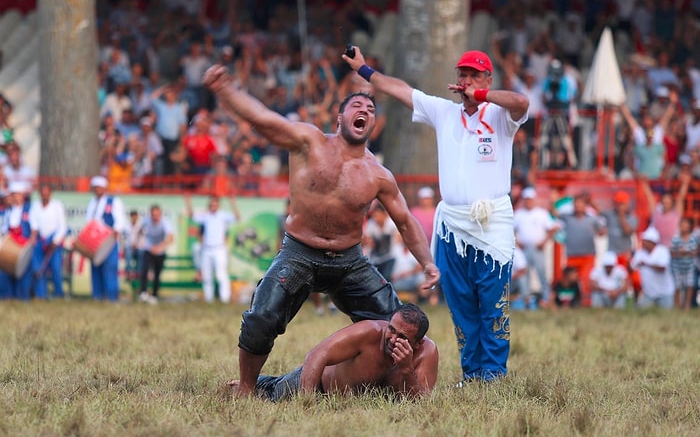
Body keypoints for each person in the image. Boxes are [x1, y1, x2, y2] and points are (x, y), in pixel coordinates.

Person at [202, 65, 439, 396]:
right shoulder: (307, 142)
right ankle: (246, 387)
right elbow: (264, 119)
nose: (365, 111)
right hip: (299, 251)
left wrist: (427, 262)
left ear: (373, 125)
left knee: (395, 325)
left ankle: (383, 386)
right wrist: (226, 90)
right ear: (339, 118)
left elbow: (405, 220)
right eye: (357, 106)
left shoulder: (378, 174)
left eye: (370, 110)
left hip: (350, 260)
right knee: (262, 315)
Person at [342, 47, 528, 382]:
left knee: (492, 304)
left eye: (474, 75)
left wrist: (482, 95)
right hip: (452, 226)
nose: (466, 80)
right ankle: (472, 374)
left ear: (487, 79)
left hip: (492, 225)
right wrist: (365, 70)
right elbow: (399, 90)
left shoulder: (499, 116)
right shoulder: (444, 112)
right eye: (463, 74)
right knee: (461, 305)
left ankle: (495, 375)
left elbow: (522, 103)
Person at [230, 303, 438, 401]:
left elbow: (420, 403)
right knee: (270, 394)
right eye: (391, 329)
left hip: (353, 405)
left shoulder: (426, 353)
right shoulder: (370, 331)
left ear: (417, 344)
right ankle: (246, 385)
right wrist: (307, 402)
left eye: (402, 337)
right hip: (317, 384)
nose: (392, 339)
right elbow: (316, 356)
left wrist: (406, 370)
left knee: (270, 387)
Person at [184, 193, 239, 303]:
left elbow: (237, 217)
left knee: (221, 274)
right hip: (207, 249)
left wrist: (233, 203)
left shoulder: (223, 215)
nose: (213, 206)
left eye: (215, 204)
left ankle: (225, 298)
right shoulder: (206, 216)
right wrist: (188, 202)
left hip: (219, 249)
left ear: (218, 205)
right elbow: (192, 215)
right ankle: (209, 299)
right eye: (211, 205)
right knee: (207, 276)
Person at [513, 186, 559, 307]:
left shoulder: (541, 213)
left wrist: (544, 241)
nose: (528, 201)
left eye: (530, 199)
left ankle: (546, 298)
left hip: (538, 247)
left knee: (542, 273)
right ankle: (526, 299)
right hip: (523, 248)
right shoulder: (518, 214)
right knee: (525, 274)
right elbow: (511, 230)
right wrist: (517, 242)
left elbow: (553, 228)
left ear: (534, 199)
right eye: (526, 199)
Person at [85, 175, 127, 302]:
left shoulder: (113, 202)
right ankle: (97, 295)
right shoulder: (92, 203)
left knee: (110, 269)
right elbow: (88, 221)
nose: (97, 190)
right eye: (95, 188)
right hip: (94, 241)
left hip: (108, 240)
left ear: (104, 188)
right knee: (96, 268)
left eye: (99, 187)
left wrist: (113, 235)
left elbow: (119, 221)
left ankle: (111, 297)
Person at [1, 181, 37, 300]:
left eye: (17, 194)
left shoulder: (29, 209)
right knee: (6, 270)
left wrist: (30, 244)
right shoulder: (8, 211)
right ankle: (8, 296)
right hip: (10, 243)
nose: (15, 197)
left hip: (23, 244)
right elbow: (5, 228)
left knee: (24, 271)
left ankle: (23, 297)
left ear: (22, 196)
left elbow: (34, 229)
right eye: (13, 194)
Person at [30, 184, 67, 299]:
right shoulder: (35, 206)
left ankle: (58, 294)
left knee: (56, 268)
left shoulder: (57, 206)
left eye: (47, 193)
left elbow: (62, 226)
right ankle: (41, 294)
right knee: (39, 268)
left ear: (51, 193)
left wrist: (55, 241)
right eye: (43, 193)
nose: (45, 195)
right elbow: (34, 224)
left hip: (54, 241)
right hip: (41, 241)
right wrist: (34, 238)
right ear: (39, 194)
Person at [137, 204, 174, 304]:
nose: (155, 217)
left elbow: (171, 238)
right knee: (144, 270)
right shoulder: (146, 220)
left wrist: (159, 247)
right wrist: (138, 242)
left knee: (157, 275)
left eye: (157, 215)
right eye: (153, 215)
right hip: (148, 249)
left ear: (160, 214)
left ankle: (154, 295)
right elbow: (139, 231)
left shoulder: (165, 223)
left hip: (160, 251)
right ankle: (143, 293)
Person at [630, 227, 674, 309]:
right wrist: (628, 259)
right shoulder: (640, 253)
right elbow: (632, 268)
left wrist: (646, 264)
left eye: (645, 241)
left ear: (652, 242)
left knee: (667, 316)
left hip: (664, 292)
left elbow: (662, 268)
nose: (643, 242)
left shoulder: (662, 251)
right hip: (648, 294)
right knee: (640, 313)